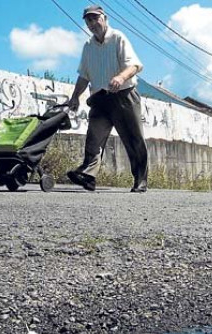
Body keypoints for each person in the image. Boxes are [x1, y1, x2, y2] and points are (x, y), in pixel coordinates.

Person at [65, 5, 149, 193]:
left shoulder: (118, 38)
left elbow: (135, 65)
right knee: (93, 139)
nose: (93, 23)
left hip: (124, 95)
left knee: (133, 140)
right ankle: (88, 176)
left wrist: (120, 77)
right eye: (89, 20)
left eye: (96, 18)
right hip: (99, 98)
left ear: (104, 18)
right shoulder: (88, 46)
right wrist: (75, 97)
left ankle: (140, 180)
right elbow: (84, 76)